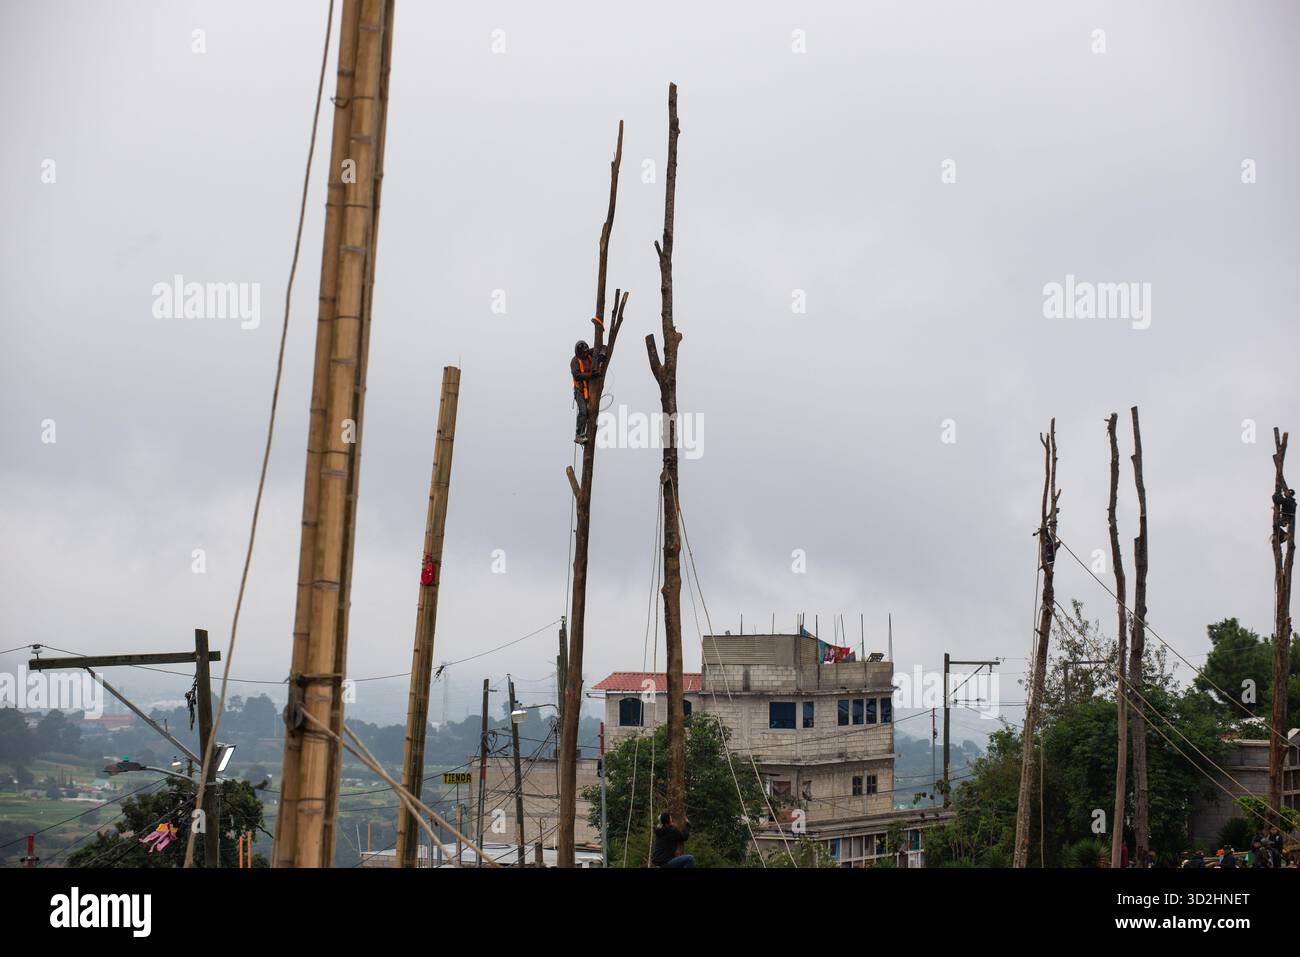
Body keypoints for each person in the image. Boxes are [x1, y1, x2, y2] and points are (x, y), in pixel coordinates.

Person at [570, 340, 603, 444]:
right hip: (579, 391)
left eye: (586, 352)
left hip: (589, 389)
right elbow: (577, 376)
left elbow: (603, 347)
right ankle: (579, 435)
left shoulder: (589, 353)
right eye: (583, 353)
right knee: (583, 412)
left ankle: (587, 434)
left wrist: (602, 355)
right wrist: (591, 375)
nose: (585, 354)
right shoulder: (574, 361)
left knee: (590, 413)